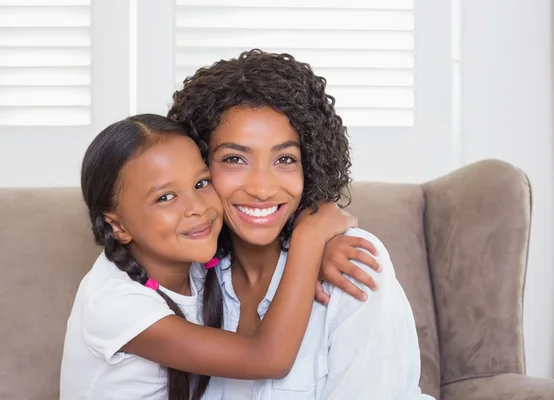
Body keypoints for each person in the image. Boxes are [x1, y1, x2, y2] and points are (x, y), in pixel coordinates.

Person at [168, 49, 433, 399]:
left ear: (310, 165)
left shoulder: (353, 265)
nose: (262, 189)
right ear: (199, 165)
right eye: (234, 159)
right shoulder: (187, 279)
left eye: (285, 159)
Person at [59, 114, 377, 400]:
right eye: (165, 197)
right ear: (117, 225)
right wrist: (309, 240)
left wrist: (325, 249)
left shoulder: (198, 261)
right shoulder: (113, 302)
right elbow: (268, 359)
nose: (197, 206)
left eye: (201, 183)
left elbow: (261, 238)